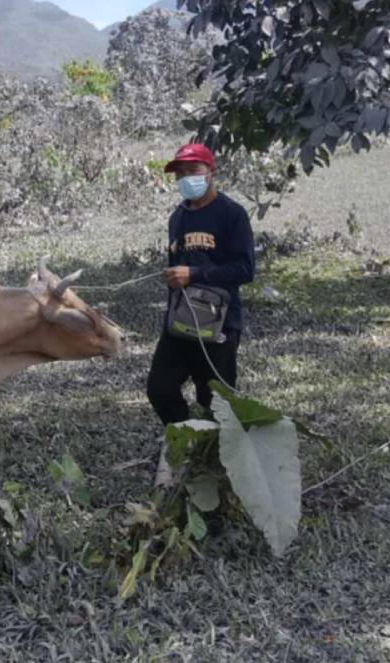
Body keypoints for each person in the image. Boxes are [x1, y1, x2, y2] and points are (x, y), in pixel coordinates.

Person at [146, 143, 256, 484]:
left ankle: (215, 469)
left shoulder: (231, 214)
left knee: (216, 401)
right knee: (160, 388)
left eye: (193, 171)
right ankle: (184, 441)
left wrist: (193, 275)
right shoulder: (178, 217)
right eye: (180, 173)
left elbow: (244, 269)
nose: (185, 179)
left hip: (219, 325)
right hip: (180, 324)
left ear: (212, 172)